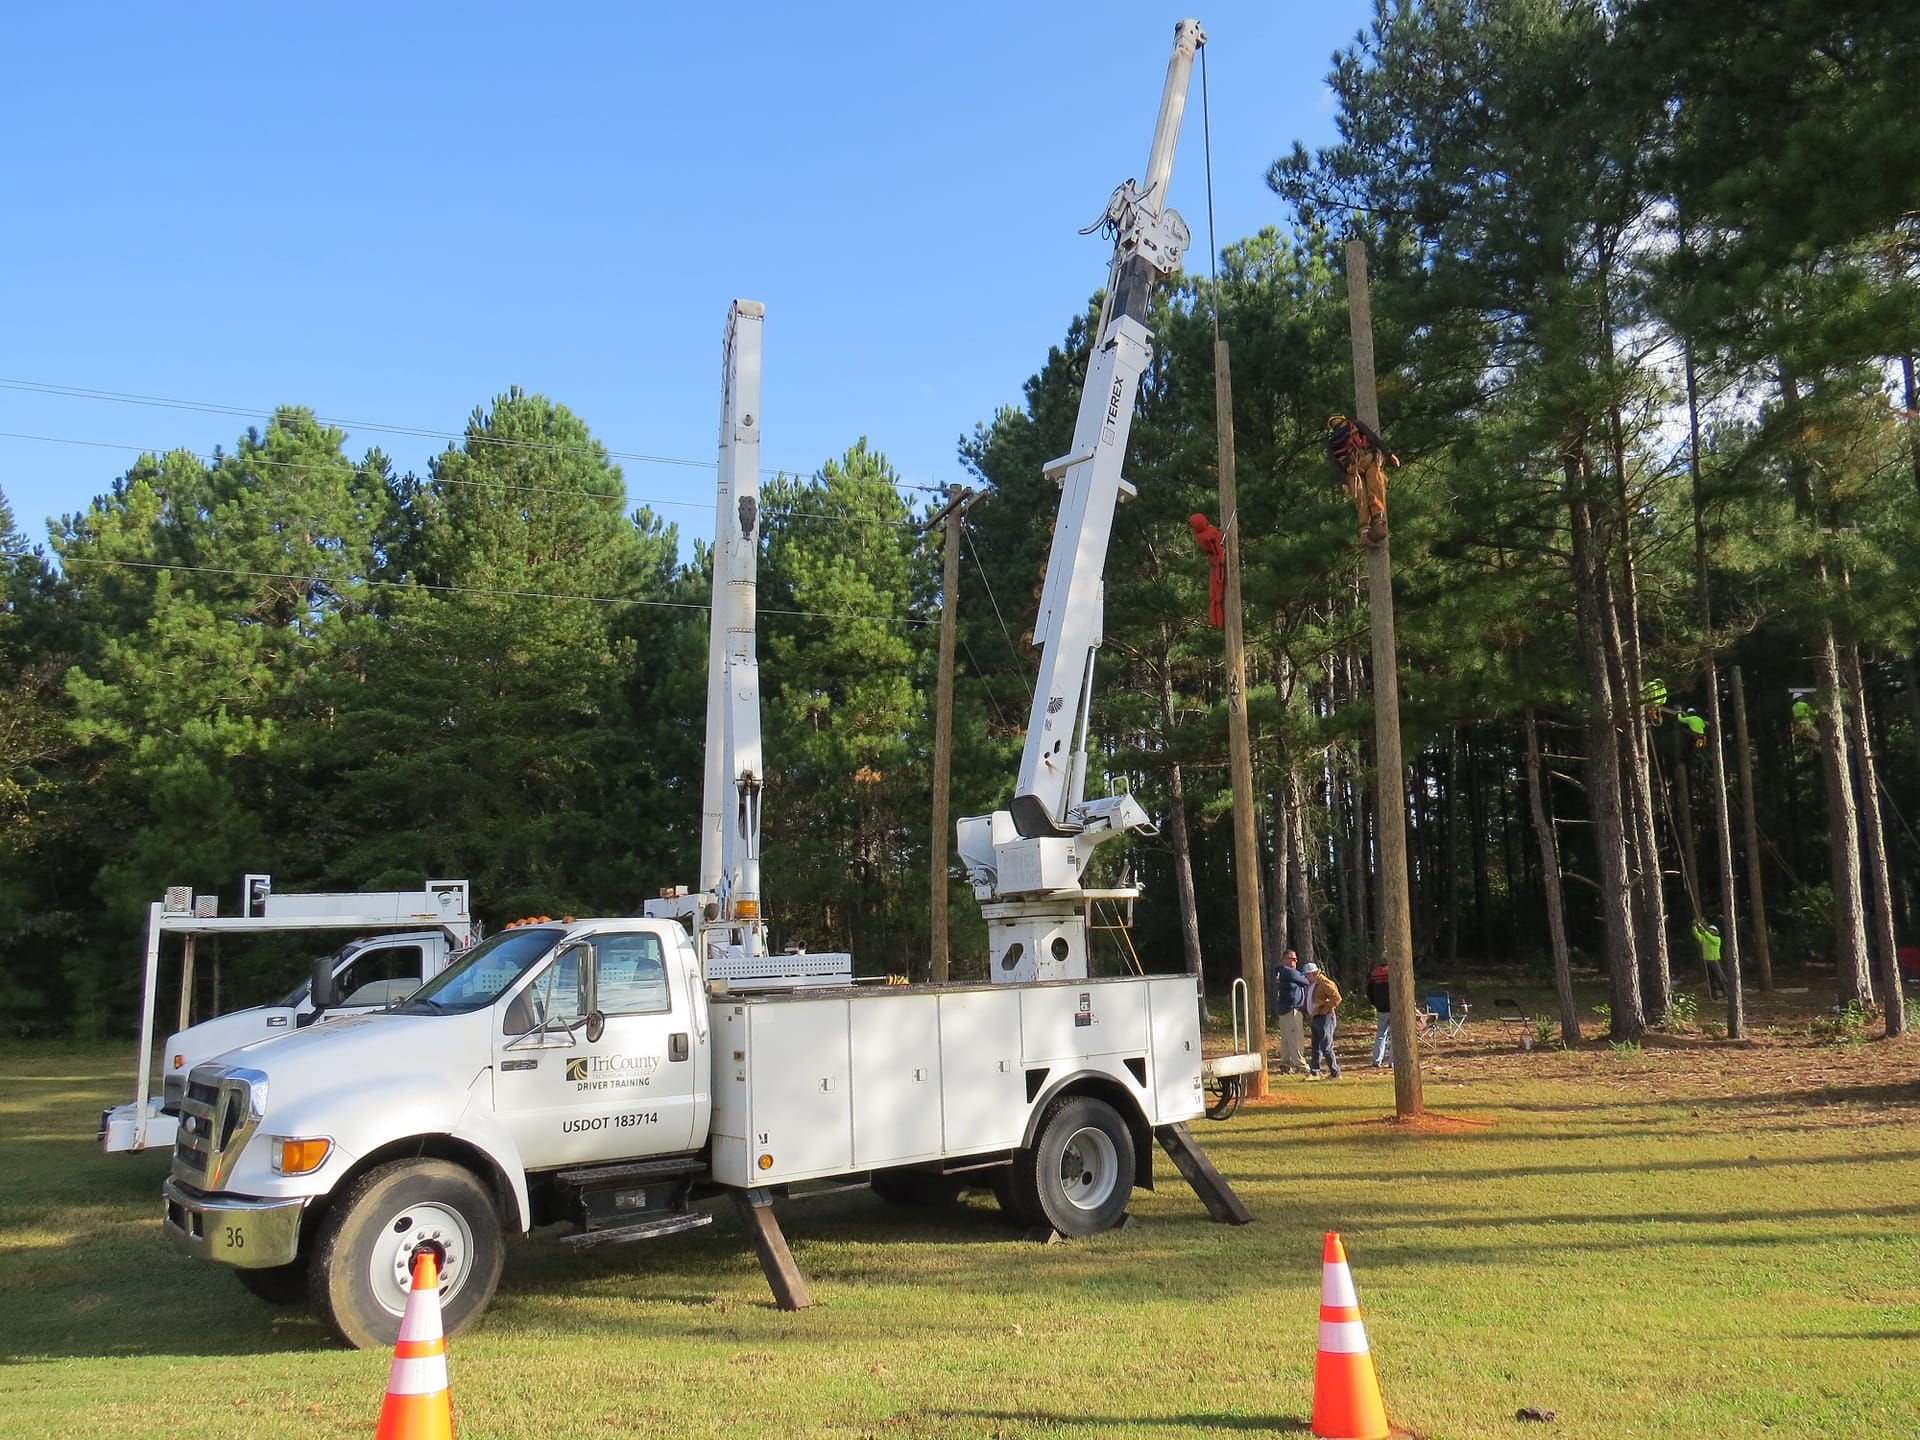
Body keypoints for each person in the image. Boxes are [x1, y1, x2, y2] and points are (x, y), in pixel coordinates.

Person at [1326, 414, 1399, 549]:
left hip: (1351, 469)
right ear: (1342, 419)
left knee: (1361, 501)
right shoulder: (1354, 424)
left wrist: (1343, 482)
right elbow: (1372, 437)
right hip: (1367, 458)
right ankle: (1378, 523)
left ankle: (1364, 533)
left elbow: (1334, 463)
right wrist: (1389, 454)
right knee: (1375, 487)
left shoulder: (1331, 441)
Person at [1271, 950, 1310, 1074]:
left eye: (1295, 959)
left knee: (1287, 1039)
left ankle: (1285, 1064)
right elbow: (1306, 981)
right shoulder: (1288, 972)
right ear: (1283, 960)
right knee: (1295, 1038)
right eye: (1291, 959)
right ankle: (1301, 1064)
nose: (1295, 961)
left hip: (1286, 1009)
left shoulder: (1283, 972)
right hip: (1291, 1010)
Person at [1303, 961, 1343, 1079]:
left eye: (1307, 975)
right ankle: (1315, 1072)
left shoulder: (1325, 983)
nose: (1306, 977)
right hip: (1316, 1017)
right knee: (1315, 1046)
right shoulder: (1314, 983)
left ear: (1313, 973)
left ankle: (1336, 1073)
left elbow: (1337, 998)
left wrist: (1324, 1008)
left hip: (1325, 1017)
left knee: (1326, 1046)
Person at [1691, 918, 1726, 1000]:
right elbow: (1696, 935)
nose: (1711, 931)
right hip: (1707, 960)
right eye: (1710, 929)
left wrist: (1704, 930)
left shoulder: (1717, 939)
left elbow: (1710, 937)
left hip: (1715, 961)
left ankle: (1725, 992)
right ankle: (1714, 995)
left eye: (1712, 930)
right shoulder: (1705, 938)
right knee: (1711, 979)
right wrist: (1694, 926)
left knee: (1719, 977)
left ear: (1715, 932)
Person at [1367, 961, 1392, 1067]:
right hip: (1394, 1008)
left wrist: (1375, 1004)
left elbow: (1368, 992)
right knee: (1395, 1036)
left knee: (1381, 1034)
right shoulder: (1394, 971)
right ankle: (1393, 1062)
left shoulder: (1374, 973)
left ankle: (1377, 1060)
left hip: (1381, 1009)